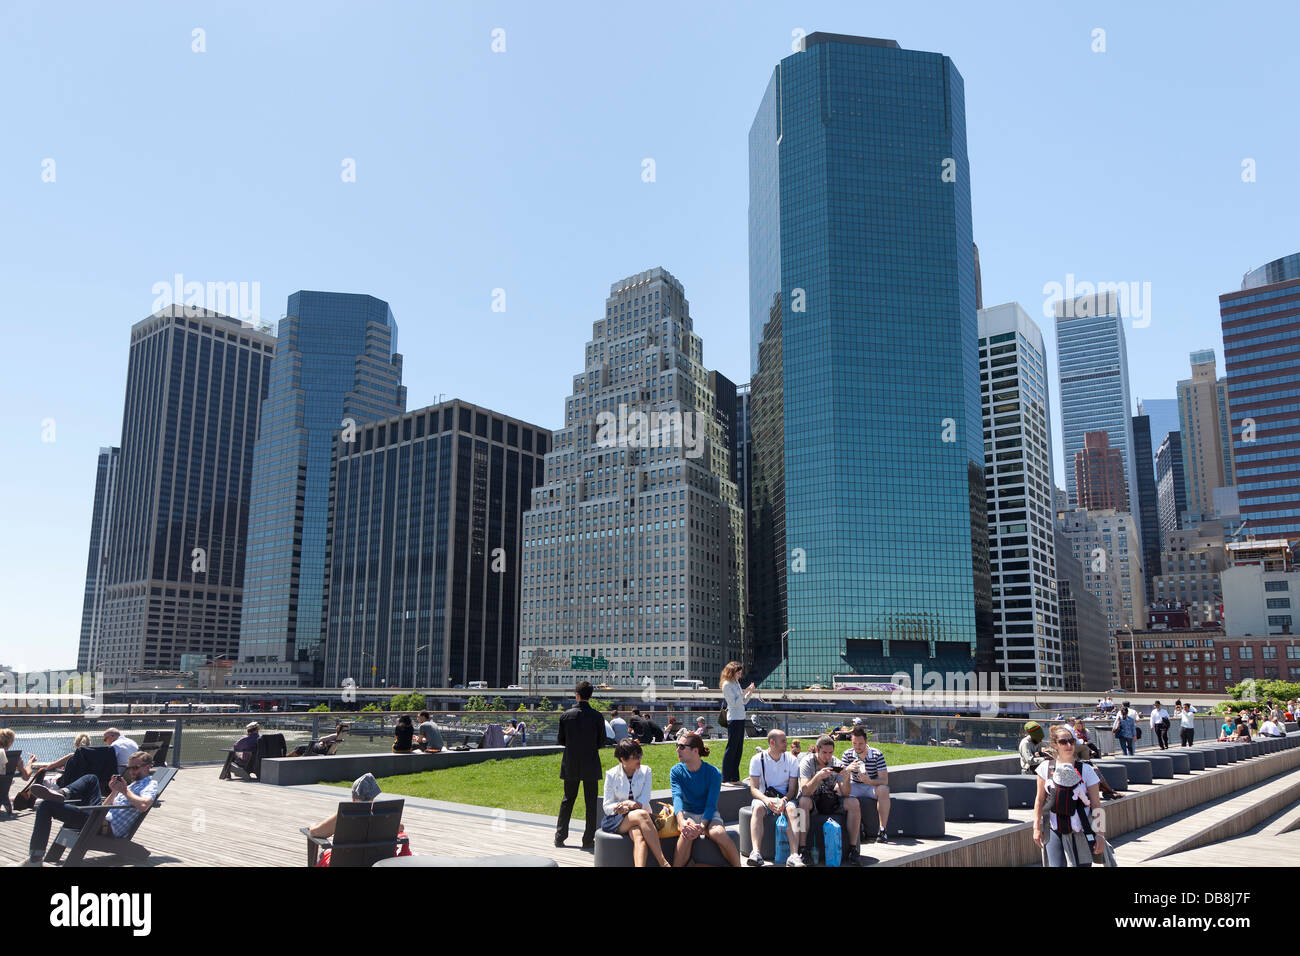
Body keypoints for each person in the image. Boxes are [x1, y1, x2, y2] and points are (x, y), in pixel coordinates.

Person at [24, 751, 159, 865]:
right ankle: (62, 793)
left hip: (106, 827)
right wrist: (114, 791)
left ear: (147, 768)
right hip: (99, 818)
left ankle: (35, 859)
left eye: (135, 768)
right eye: (129, 768)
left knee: (45, 806)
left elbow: (143, 805)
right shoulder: (130, 786)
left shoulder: (150, 785)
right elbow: (105, 807)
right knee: (91, 778)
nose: (131, 772)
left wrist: (124, 791)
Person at [1032, 726, 1106, 867]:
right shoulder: (1046, 768)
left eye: (1071, 741)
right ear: (1055, 744)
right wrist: (1036, 828)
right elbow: (1039, 800)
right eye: (1063, 742)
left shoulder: (1086, 770)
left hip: (1081, 829)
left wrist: (1100, 834)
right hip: (1054, 828)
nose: (1068, 745)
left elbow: (1097, 805)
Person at [308, 772, 411, 866]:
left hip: (344, 863)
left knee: (323, 853)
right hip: (375, 862)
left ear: (353, 797)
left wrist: (312, 826)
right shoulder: (385, 816)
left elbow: (316, 832)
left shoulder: (344, 815)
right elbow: (401, 827)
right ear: (373, 796)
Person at [669, 733, 740, 867]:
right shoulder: (676, 771)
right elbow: (676, 797)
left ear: (695, 751)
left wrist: (702, 825)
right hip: (688, 813)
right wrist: (681, 821)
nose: (677, 750)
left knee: (718, 833)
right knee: (686, 833)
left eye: (682, 746)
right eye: (677, 746)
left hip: (709, 814)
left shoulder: (713, 773)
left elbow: (711, 804)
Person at [601, 738, 670, 867]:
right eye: (635, 756)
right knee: (641, 815)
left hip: (641, 816)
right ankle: (664, 863)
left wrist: (629, 807)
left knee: (640, 837)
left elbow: (644, 800)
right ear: (623, 758)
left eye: (640, 755)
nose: (639, 759)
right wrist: (622, 806)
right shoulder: (611, 774)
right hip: (617, 819)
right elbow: (607, 806)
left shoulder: (646, 771)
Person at [795, 735, 859, 867]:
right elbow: (805, 791)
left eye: (830, 753)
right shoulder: (807, 762)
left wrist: (846, 779)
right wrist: (818, 777)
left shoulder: (836, 762)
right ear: (817, 750)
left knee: (854, 803)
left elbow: (846, 793)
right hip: (812, 800)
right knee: (803, 803)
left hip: (830, 799)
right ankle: (802, 849)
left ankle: (853, 849)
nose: (827, 757)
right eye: (824, 753)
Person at [555, 680, 605, 850]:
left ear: (576, 695)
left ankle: (560, 837)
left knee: (568, 799)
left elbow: (561, 740)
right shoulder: (597, 716)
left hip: (571, 762)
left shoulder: (565, 716)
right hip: (591, 762)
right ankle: (588, 840)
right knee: (591, 802)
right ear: (590, 696)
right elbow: (601, 742)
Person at [746, 729, 801, 866]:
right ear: (772, 742)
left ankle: (794, 855)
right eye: (783, 741)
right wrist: (766, 800)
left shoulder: (792, 760)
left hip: (786, 798)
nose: (786, 744)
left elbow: (793, 790)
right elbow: (753, 788)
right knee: (757, 808)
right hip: (764, 797)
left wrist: (784, 800)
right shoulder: (757, 759)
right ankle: (756, 853)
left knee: (793, 810)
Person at [842, 724, 890, 844]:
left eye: (860, 744)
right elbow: (841, 776)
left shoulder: (876, 754)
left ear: (866, 741)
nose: (857, 747)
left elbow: (884, 780)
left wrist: (869, 781)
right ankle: (851, 830)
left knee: (884, 790)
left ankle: (882, 830)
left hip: (871, 786)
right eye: (854, 744)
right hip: (854, 785)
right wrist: (848, 769)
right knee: (837, 789)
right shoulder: (847, 754)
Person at [720, 661, 756, 785]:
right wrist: (745, 691)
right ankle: (725, 778)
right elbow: (734, 703)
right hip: (733, 719)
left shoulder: (736, 683)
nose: (740, 676)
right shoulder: (726, 685)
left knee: (738, 749)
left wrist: (750, 692)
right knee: (731, 748)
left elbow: (743, 701)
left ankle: (734, 778)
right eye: (738, 673)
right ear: (732, 672)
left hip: (740, 717)